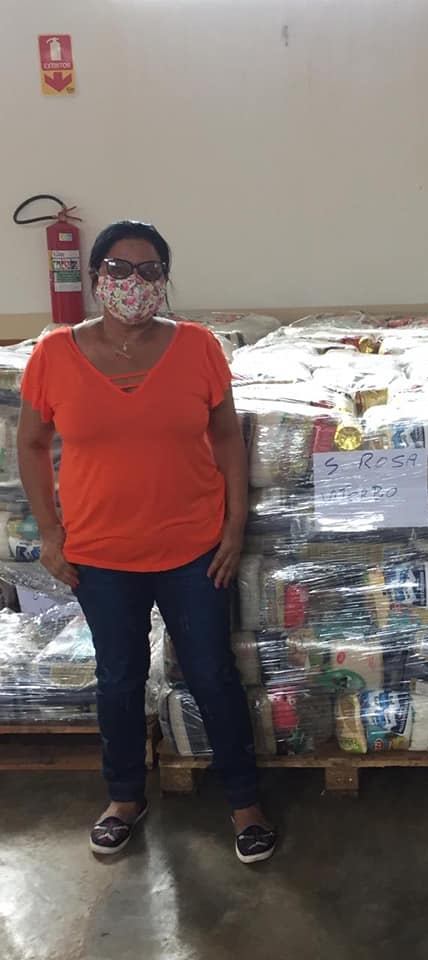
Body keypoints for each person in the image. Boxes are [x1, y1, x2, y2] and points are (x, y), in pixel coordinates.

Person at [17, 220, 276, 864]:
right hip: (100, 556)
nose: (133, 282)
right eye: (119, 268)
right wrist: (49, 531)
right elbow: (31, 444)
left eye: (149, 270)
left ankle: (244, 802)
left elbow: (226, 437)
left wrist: (234, 524)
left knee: (212, 673)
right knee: (118, 678)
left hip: (194, 550)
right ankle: (124, 798)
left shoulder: (197, 347)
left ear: (165, 279)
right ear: (96, 276)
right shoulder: (54, 354)